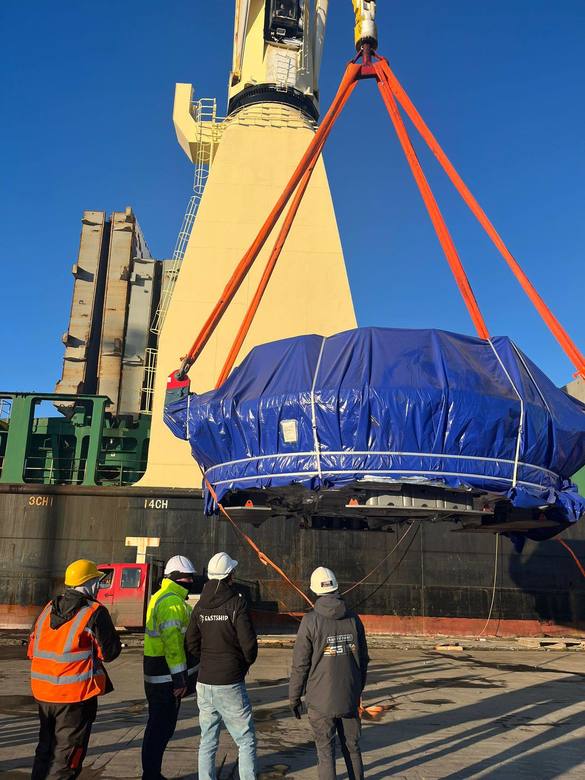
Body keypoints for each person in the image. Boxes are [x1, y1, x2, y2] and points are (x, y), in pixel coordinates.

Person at [29, 558, 121, 780]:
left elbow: (32, 649)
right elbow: (109, 653)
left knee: (45, 750)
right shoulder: (94, 611)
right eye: (97, 581)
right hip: (75, 696)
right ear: (89, 583)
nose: (99, 586)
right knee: (67, 757)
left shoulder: (48, 609)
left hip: (44, 693)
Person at [289, 566, 369, 780]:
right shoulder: (354, 619)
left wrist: (294, 697)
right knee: (352, 749)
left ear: (315, 590)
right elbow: (363, 660)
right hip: (349, 698)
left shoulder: (310, 621)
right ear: (336, 587)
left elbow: (300, 665)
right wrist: (356, 690)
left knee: (325, 753)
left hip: (320, 701)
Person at [186, 552, 258, 780]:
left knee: (207, 739)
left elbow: (191, 642)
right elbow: (249, 645)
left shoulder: (200, 606)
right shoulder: (237, 603)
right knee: (245, 739)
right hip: (229, 682)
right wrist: (241, 664)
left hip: (204, 681)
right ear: (230, 576)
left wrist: (206, 660)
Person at [142, 554, 199, 780]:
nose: (191, 581)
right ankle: (151, 775)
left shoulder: (160, 597)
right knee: (160, 728)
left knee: (158, 727)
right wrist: (180, 679)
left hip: (157, 673)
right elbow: (173, 645)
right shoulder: (172, 603)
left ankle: (152, 773)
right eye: (187, 577)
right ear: (176, 578)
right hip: (165, 677)